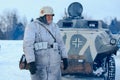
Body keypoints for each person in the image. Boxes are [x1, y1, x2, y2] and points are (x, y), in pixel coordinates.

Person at [23, 6, 68, 80]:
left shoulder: (55, 27)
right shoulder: (32, 26)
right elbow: (28, 45)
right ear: (43, 16)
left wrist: (65, 57)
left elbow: (60, 43)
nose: (50, 17)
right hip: (40, 66)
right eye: (48, 16)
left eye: (51, 16)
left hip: (55, 66)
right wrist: (31, 62)